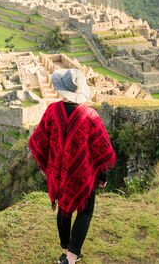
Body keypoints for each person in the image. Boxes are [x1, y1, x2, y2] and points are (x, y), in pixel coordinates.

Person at [28, 68, 116, 264]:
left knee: (64, 208)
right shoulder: (90, 115)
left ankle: (66, 251)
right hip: (83, 173)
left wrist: (49, 166)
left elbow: (39, 140)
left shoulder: (52, 111)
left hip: (58, 172)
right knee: (85, 211)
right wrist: (102, 176)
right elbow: (100, 148)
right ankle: (71, 257)